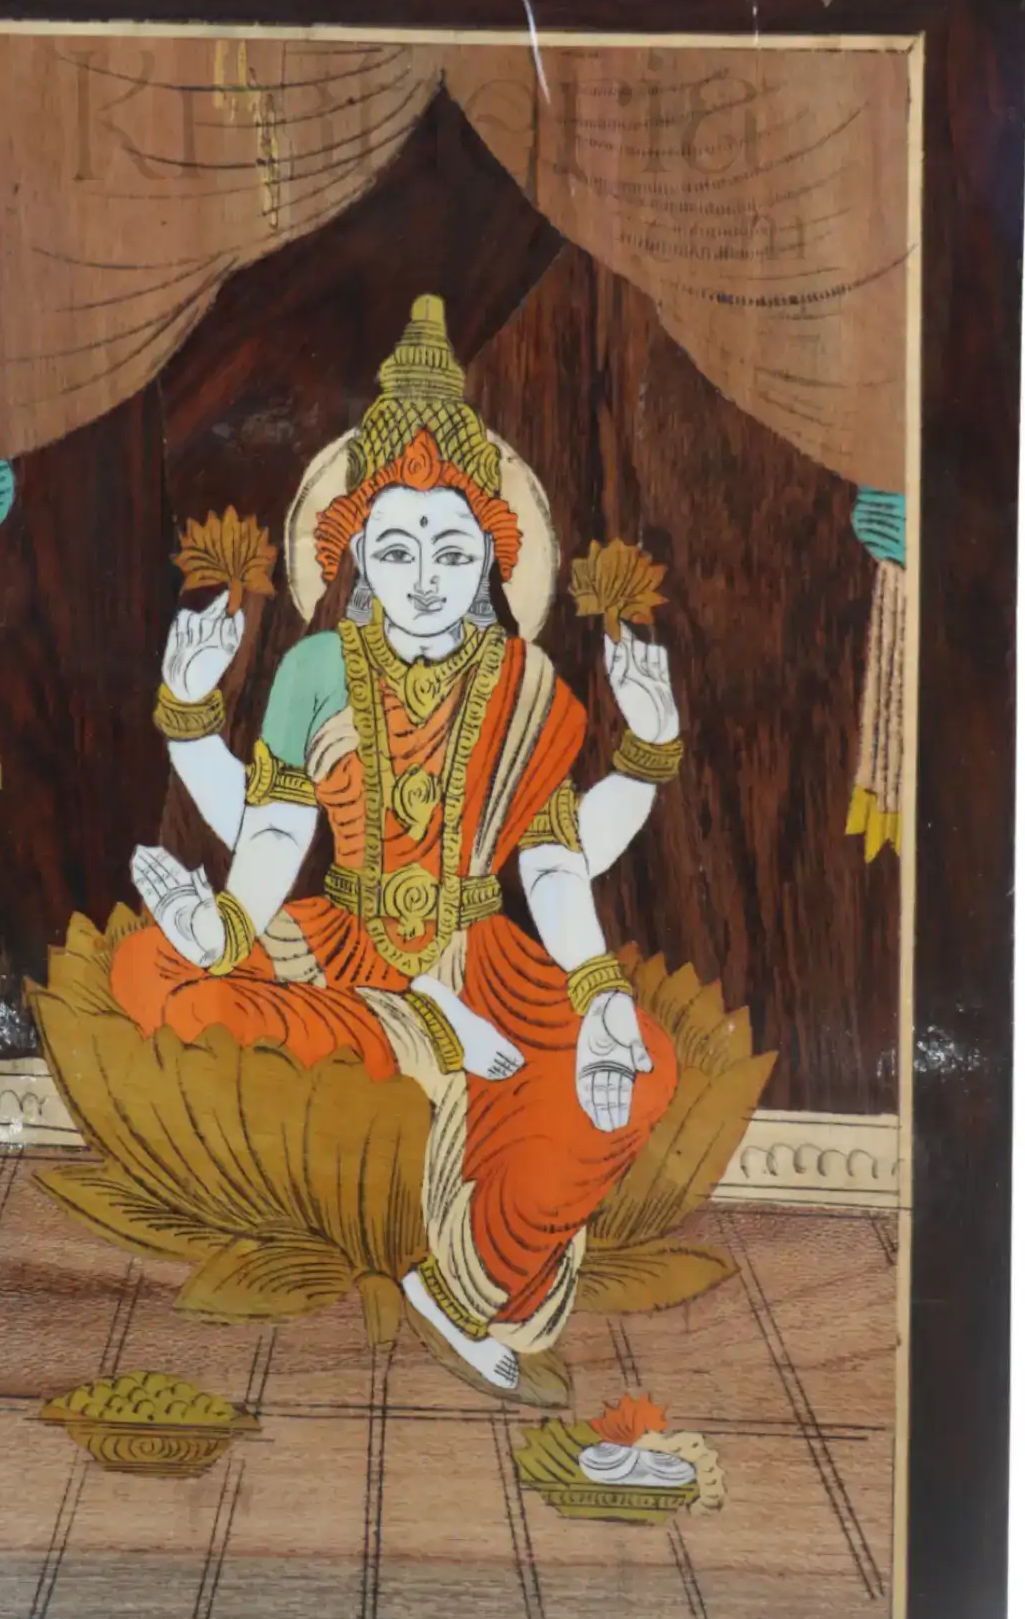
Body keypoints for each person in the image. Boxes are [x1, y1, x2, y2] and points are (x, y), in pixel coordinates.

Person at [114, 297, 689, 1396]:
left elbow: (553, 862)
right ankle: (422, 1027)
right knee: (152, 968)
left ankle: (464, 1287)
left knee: (641, 1063)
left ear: (490, 560)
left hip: (485, 964)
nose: (424, 576)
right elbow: (275, 829)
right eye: (395, 548)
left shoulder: (525, 684)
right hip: (342, 949)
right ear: (358, 562)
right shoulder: (314, 670)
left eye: (450, 549)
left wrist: (601, 981)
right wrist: (221, 915)